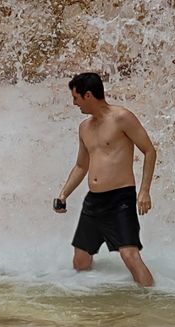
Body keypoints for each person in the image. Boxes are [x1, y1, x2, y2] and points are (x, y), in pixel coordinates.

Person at [53, 69, 156, 288]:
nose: (75, 104)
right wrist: (63, 194)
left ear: (88, 95)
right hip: (93, 202)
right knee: (80, 261)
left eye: (76, 98)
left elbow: (149, 150)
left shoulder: (122, 117)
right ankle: (90, 304)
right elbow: (82, 165)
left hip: (120, 199)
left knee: (129, 256)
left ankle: (151, 301)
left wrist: (144, 190)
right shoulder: (84, 128)